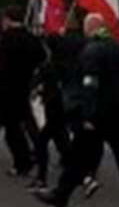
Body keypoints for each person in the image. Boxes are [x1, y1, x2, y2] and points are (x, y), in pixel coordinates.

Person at [37, 13, 119, 207]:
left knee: (80, 155)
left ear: (90, 28)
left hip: (98, 113)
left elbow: (90, 83)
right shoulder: (117, 47)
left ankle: (61, 195)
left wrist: (87, 114)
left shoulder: (92, 51)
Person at [0, 7, 47, 177]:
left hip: (7, 88)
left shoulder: (7, 39)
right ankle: (36, 151)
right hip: (24, 85)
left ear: (7, 19)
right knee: (28, 122)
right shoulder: (31, 38)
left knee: (12, 128)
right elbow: (42, 57)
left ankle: (22, 162)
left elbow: (0, 65)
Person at [33, 11, 84, 189]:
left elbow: (47, 67)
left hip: (55, 98)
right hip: (71, 97)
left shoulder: (57, 56)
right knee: (61, 139)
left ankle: (42, 178)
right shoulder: (82, 45)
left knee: (45, 139)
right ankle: (82, 176)